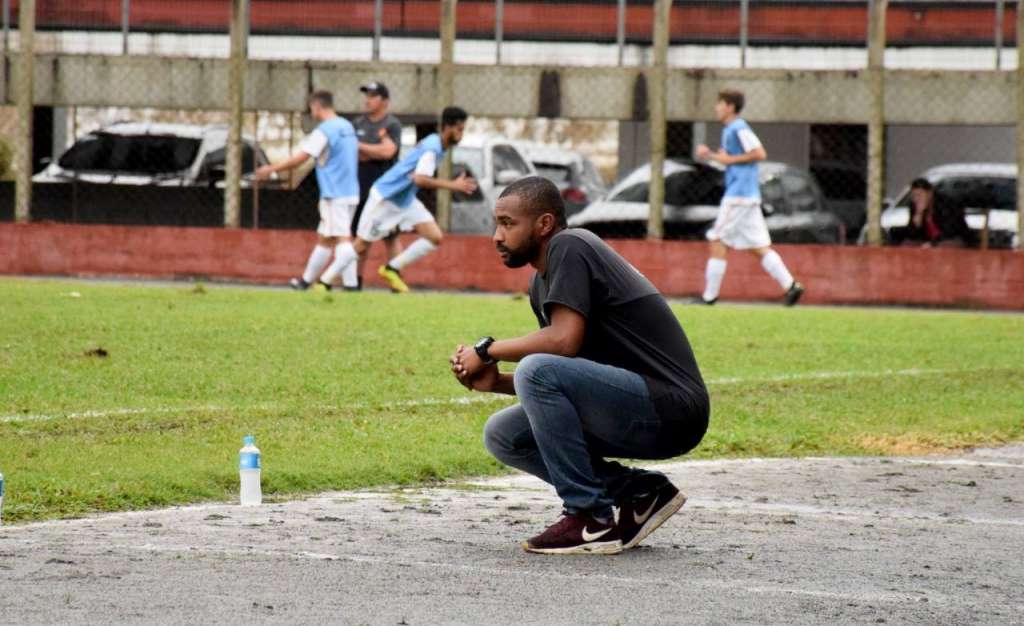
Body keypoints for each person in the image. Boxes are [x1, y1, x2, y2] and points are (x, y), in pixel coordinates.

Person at [449, 176, 709, 555]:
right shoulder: (541, 284)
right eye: (496, 224)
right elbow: (568, 372)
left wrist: (488, 349)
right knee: (504, 434)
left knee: (536, 368)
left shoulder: (571, 245)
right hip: (633, 406)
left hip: (672, 408)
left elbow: (562, 342)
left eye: (508, 223)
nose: (496, 236)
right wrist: (496, 381)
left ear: (544, 224)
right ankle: (638, 492)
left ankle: (590, 516)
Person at [319, 106, 478, 293]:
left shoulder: (437, 144)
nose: (461, 134)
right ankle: (325, 281)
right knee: (361, 245)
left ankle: (391, 268)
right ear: (448, 127)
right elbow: (420, 178)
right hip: (386, 197)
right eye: (459, 129)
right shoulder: (433, 147)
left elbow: (415, 177)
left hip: (405, 199)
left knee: (434, 237)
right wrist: (454, 185)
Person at [695, 89, 804, 306]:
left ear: (730, 107)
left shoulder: (738, 127)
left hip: (738, 196)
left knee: (717, 240)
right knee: (759, 247)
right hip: (748, 196)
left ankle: (709, 297)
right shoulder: (731, 130)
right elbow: (731, 160)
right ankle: (791, 286)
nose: (716, 108)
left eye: (719, 104)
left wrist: (726, 158)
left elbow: (758, 153)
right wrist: (712, 156)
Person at [254, 90, 360, 291]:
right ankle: (306, 281)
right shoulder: (347, 126)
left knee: (342, 239)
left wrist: (271, 169)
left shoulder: (324, 131)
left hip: (334, 193)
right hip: (350, 191)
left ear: (316, 106)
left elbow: (302, 158)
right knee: (326, 239)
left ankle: (346, 284)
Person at [352, 81, 405, 289]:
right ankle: (354, 282)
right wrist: (374, 150)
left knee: (391, 237)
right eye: (367, 95)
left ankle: (396, 279)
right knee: (361, 237)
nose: (368, 100)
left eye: (373, 96)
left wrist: (363, 148)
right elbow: (354, 154)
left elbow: (388, 153)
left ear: (385, 101)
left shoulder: (392, 124)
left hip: (386, 189)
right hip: (361, 187)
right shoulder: (357, 124)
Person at [888, 178, 972, 248]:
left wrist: (933, 243)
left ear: (930, 194)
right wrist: (918, 219)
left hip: (952, 239)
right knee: (907, 245)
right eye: (914, 196)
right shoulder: (914, 207)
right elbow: (913, 235)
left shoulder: (946, 204)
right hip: (928, 241)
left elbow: (950, 231)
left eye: (920, 195)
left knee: (943, 247)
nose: (917, 199)